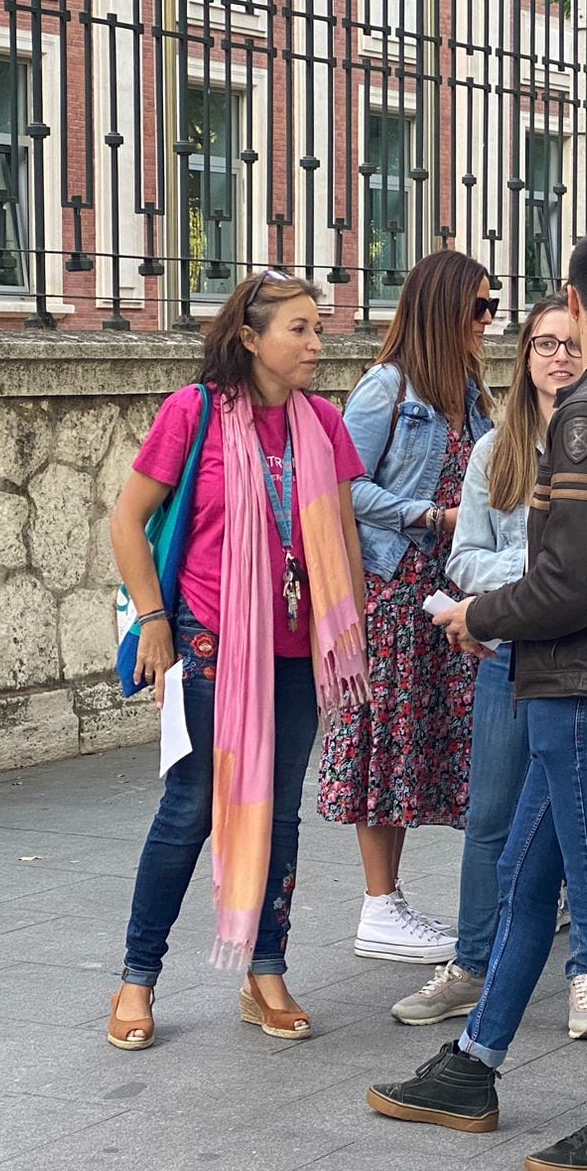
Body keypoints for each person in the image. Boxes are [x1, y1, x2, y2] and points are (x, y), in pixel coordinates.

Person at [367, 226, 587, 1171]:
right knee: (525, 882)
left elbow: (567, 586)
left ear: (574, 292)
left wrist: (475, 609)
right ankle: (472, 1066)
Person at [107, 270, 370, 1051]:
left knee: (281, 811)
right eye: (300, 329)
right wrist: (154, 620)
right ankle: (136, 977)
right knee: (191, 807)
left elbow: (344, 535)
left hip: (298, 650)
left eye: (318, 328)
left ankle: (265, 972)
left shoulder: (322, 422)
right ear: (251, 339)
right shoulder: (191, 414)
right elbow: (127, 522)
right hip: (209, 641)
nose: (317, 344)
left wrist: (351, 631)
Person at [389, 294, 587, 1033]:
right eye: (545, 345)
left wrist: (531, 577)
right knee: (489, 817)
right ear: (526, 357)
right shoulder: (494, 452)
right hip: (506, 655)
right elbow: (463, 557)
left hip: (583, 662)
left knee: (581, 822)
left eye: (572, 344)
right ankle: (472, 965)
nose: (560, 357)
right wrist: (538, 571)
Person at [319, 251, 497, 964]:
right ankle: (379, 904)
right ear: (444, 308)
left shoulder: (472, 391)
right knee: (384, 742)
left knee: (445, 742)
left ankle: (410, 903)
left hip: (453, 591)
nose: (490, 320)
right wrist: (432, 515)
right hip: (396, 591)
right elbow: (343, 487)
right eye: (479, 307)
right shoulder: (387, 389)